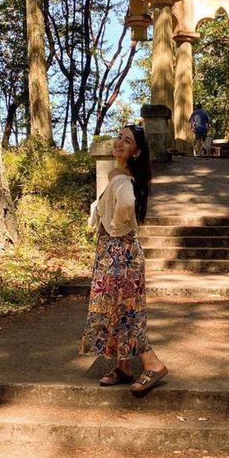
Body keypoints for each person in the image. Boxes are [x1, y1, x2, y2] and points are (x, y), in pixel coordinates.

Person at [81, 125, 169, 397]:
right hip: (114, 251)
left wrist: (115, 228)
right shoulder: (118, 174)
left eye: (127, 141)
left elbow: (127, 205)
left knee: (126, 311)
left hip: (121, 252)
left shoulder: (122, 179)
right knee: (114, 310)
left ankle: (152, 363)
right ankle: (123, 366)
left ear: (136, 151)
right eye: (119, 136)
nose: (119, 142)